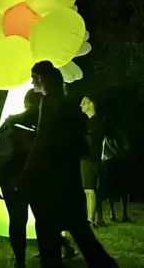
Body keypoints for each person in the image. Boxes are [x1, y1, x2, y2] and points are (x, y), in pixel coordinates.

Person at [22, 61, 117, 268]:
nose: (31, 81)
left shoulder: (48, 102)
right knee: (77, 226)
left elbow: (43, 139)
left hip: (52, 175)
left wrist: (28, 169)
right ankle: (103, 263)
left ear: (40, 79)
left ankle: (52, 262)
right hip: (69, 174)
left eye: (33, 77)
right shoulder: (66, 102)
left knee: (47, 224)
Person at [0, 89, 75, 268]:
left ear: (25, 102)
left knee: (17, 220)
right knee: (45, 220)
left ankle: (19, 260)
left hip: (11, 180)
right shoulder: (48, 124)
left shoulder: (11, 121)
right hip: (39, 179)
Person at [80, 96, 106, 227]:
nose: (81, 105)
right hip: (84, 158)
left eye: (84, 103)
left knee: (90, 189)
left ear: (91, 104)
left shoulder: (97, 122)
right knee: (86, 190)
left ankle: (90, 219)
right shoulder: (86, 122)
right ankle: (91, 217)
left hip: (91, 159)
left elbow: (93, 141)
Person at [101, 118, 131, 223]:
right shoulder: (119, 132)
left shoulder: (104, 134)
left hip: (108, 162)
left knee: (110, 189)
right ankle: (124, 215)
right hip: (119, 161)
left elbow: (102, 151)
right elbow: (126, 146)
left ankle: (112, 214)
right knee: (123, 188)